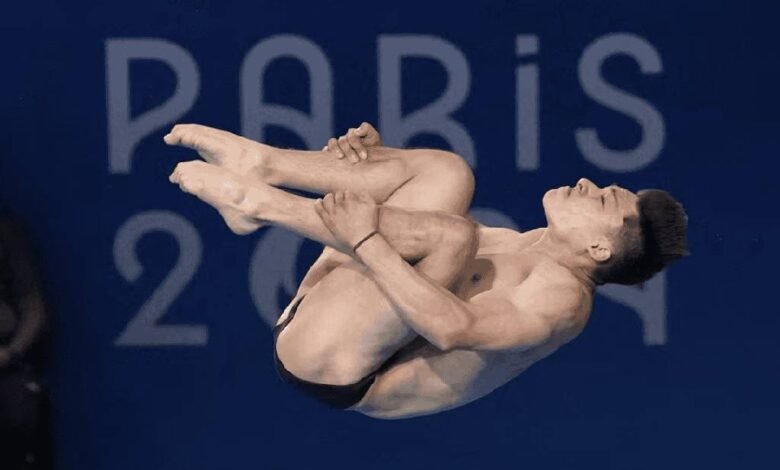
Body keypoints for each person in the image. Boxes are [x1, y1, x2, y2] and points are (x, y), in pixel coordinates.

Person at [163, 122, 688, 419]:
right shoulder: (529, 245)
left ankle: (262, 203)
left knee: (453, 235)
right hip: (331, 314)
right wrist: (374, 161)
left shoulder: (562, 301)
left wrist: (363, 235)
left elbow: (451, 327)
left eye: (602, 199)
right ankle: (265, 167)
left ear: (599, 248)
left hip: (338, 366)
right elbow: (411, 232)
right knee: (447, 172)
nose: (585, 183)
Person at [0, 210, 51, 467]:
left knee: (20, 411)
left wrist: (11, 352)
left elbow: (32, 306)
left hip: (5, 366)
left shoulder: (5, 231)